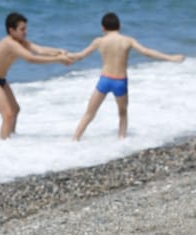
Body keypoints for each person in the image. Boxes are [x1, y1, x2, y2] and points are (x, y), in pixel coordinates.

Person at [68, 12, 185, 140]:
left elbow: (79, 56)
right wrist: (170, 57)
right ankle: (121, 140)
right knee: (122, 114)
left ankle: (74, 139)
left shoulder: (99, 41)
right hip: (120, 82)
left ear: (103, 28)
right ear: (120, 26)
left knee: (89, 113)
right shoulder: (127, 41)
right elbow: (146, 52)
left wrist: (62, 56)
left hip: (104, 80)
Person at [0, 13, 71, 139]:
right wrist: (58, 59)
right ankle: (2, 147)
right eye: (22, 29)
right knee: (8, 114)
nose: (25, 32)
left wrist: (58, 51)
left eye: (25, 28)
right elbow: (31, 58)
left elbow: (40, 50)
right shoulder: (9, 43)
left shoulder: (21, 42)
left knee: (15, 110)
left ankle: (11, 139)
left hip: (0, 80)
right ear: (11, 30)